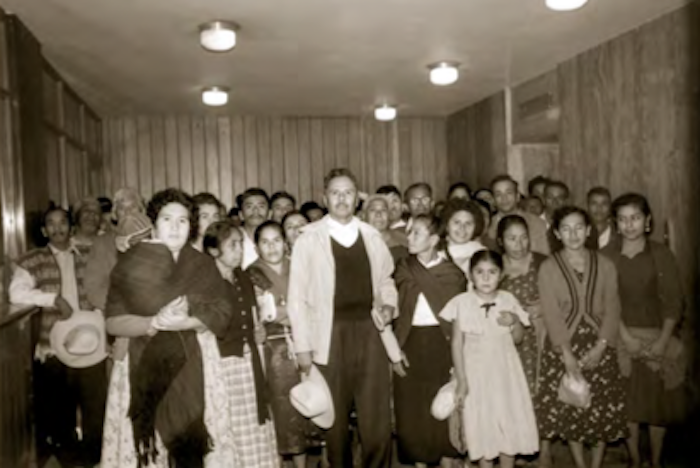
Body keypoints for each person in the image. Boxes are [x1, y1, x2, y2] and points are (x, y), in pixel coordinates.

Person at [101, 188, 232, 468]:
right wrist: (153, 323)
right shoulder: (130, 264)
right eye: (166, 219)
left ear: (191, 226)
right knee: (151, 452)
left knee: (189, 443)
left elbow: (222, 312)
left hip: (194, 360)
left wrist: (188, 322)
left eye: (182, 220)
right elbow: (112, 321)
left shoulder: (202, 264)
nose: (175, 227)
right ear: (154, 224)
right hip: (142, 361)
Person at [287, 168, 397, 468]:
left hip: (370, 332)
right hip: (328, 335)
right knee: (334, 419)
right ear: (325, 198)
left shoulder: (372, 236)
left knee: (376, 418)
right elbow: (296, 298)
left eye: (348, 192)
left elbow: (386, 280)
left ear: (357, 198)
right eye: (335, 192)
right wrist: (303, 347)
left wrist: (389, 306)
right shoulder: (309, 239)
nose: (342, 198)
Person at [10, 207, 107, 467]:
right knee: (60, 412)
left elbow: (107, 286)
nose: (57, 228)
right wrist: (52, 299)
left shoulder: (89, 255)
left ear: (71, 227)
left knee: (95, 407)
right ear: (44, 231)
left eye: (62, 222)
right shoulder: (34, 259)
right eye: (51, 224)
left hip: (91, 344)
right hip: (53, 347)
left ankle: (94, 459)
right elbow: (16, 293)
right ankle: (70, 460)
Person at [536, 206, 626, 468]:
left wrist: (601, 346)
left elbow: (613, 307)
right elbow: (551, 313)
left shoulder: (606, 265)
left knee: (600, 407)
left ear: (588, 231)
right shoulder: (549, 267)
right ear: (557, 233)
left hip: (600, 343)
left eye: (578, 228)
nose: (573, 234)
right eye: (566, 229)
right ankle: (580, 464)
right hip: (563, 344)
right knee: (572, 404)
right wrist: (566, 355)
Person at [602, 193, 685, 468]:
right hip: (620, 336)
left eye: (635, 218)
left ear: (647, 220)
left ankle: (656, 461)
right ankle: (635, 459)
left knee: (657, 403)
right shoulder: (607, 256)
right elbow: (605, 302)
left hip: (657, 337)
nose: (629, 225)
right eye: (623, 219)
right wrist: (625, 338)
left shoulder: (661, 254)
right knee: (629, 403)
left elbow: (674, 302)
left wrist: (662, 342)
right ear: (615, 223)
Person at [441, 250, 538, 468]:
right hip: (476, 373)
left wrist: (514, 321)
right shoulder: (461, 303)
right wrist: (462, 380)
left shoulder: (508, 300)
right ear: (470, 275)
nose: (486, 278)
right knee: (482, 424)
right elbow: (456, 343)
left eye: (492, 272)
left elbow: (518, 339)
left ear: (501, 275)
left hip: (505, 373)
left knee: (507, 421)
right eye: (480, 272)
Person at [204, 221, 280, 468]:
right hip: (223, 364)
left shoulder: (244, 278)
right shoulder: (206, 282)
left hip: (249, 361)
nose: (239, 250)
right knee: (231, 422)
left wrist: (258, 332)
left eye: (240, 244)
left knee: (254, 421)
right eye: (232, 245)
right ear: (214, 250)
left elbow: (253, 316)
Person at [393, 214, 466, 468]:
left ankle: (447, 459)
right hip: (410, 341)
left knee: (443, 403)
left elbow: (458, 320)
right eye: (409, 231)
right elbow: (398, 313)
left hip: (441, 343)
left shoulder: (452, 274)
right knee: (411, 407)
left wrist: (458, 359)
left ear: (434, 240)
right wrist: (396, 348)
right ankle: (419, 462)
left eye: (417, 233)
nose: (409, 237)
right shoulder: (403, 268)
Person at [248, 221, 316, 468]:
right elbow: (268, 314)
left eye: (276, 240)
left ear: (285, 243)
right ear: (256, 248)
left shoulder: (300, 266)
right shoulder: (252, 274)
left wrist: (287, 312)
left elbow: (315, 304)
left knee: (311, 401)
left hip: (308, 342)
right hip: (274, 349)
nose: (271, 247)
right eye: (265, 242)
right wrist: (296, 312)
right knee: (282, 407)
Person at [497, 215, 551, 464]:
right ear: (500, 241)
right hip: (507, 342)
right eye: (511, 239)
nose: (519, 245)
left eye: (523, 238)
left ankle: (544, 450)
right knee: (511, 397)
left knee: (541, 392)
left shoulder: (543, 263)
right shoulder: (494, 267)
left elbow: (564, 299)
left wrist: (544, 306)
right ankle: (515, 447)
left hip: (540, 338)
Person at [487, 175, 550, 256]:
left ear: (517, 196)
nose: (504, 198)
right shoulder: (487, 226)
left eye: (509, 193)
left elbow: (543, 255)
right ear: (493, 200)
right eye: (498, 194)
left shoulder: (536, 223)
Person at [441, 199, 486, 275]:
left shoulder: (482, 254)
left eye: (468, 223)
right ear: (446, 225)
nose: (462, 228)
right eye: (457, 222)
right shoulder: (434, 253)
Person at [362, 194, 408, 263]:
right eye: (372, 210)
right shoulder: (356, 243)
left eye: (383, 210)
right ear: (364, 216)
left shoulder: (403, 242)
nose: (378, 214)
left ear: (389, 216)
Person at [240, 188, 271, 268]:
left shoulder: (279, 239)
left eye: (261, 206)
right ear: (241, 214)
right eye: (249, 206)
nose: (255, 211)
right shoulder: (233, 239)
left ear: (270, 213)